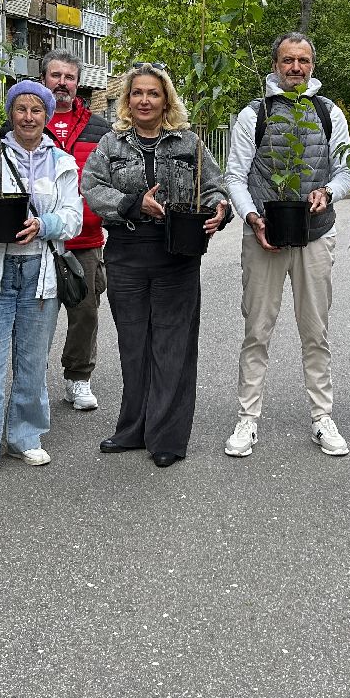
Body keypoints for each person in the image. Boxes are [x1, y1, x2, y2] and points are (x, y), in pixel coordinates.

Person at [80, 63, 228, 467]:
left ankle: (167, 437)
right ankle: (133, 429)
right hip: (126, 254)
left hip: (176, 255)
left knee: (172, 346)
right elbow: (91, 187)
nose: (144, 100)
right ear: (127, 100)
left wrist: (219, 209)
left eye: (153, 93)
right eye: (137, 93)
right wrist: (132, 203)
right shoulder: (111, 144)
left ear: (166, 101)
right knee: (134, 346)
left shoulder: (189, 143)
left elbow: (213, 188)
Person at [223, 32, 350, 458]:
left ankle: (322, 417)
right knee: (256, 330)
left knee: (316, 332)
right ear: (275, 65)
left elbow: (346, 171)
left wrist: (328, 193)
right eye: (287, 60)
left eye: (303, 60)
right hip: (265, 234)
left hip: (316, 233)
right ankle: (247, 418)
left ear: (312, 66)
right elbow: (235, 176)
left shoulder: (329, 113)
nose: (295, 67)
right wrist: (252, 217)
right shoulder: (254, 114)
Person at [0, 81, 82, 483]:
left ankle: (25, 436)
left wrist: (43, 225)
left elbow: (74, 218)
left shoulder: (62, 162)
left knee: (32, 362)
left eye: (36, 110)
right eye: (21, 109)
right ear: (11, 114)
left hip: (39, 273)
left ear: (47, 116)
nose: (28, 117)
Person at [35, 49, 112, 408]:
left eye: (69, 77)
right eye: (56, 75)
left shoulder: (100, 129)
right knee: (35, 317)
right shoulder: (27, 121)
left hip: (85, 241)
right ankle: (32, 382)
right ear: (43, 79)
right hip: (36, 242)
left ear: (78, 83)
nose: (62, 83)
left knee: (85, 314)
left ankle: (78, 378)